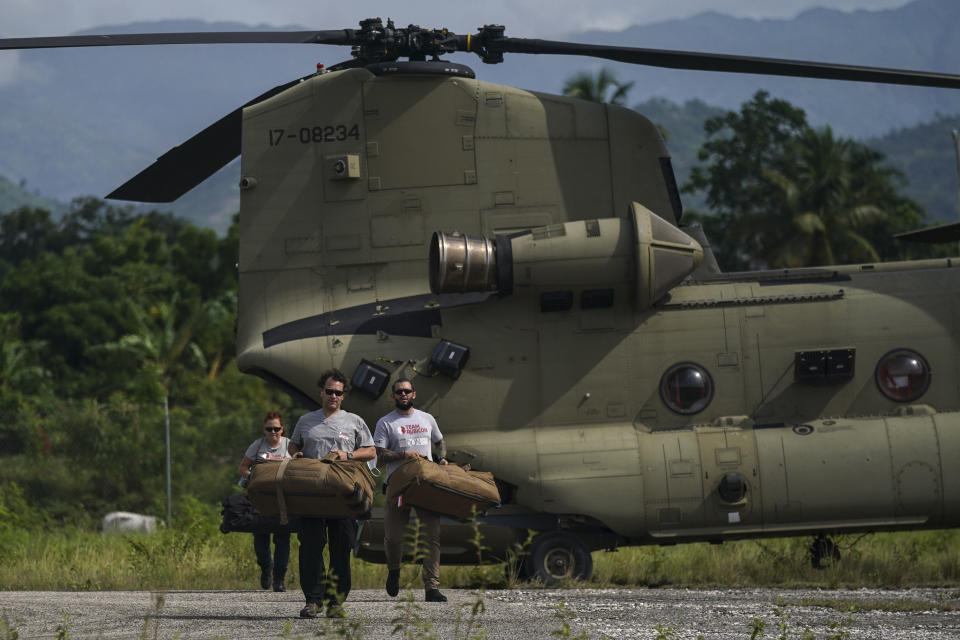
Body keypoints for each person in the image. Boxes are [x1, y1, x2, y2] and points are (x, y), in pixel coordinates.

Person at [288, 369, 375, 619]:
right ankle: (312, 601)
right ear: (321, 392)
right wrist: (295, 453)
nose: (333, 396)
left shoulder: (354, 421)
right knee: (311, 547)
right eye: (329, 391)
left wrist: (350, 455)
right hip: (312, 494)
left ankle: (335, 602)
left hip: (343, 494)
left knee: (341, 547)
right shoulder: (306, 420)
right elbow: (294, 444)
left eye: (338, 392)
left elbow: (370, 451)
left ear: (343, 395)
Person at [373, 378, 449, 603]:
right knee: (394, 538)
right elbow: (379, 454)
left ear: (414, 394)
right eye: (399, 392)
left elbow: (440, 440)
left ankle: (432, 588)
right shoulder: (386, 423)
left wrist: (442, 457)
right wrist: (402, 454)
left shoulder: (427, 418)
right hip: (399, 486)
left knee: (431, 537)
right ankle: (394, 571)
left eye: (407, 391)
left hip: (426, 485)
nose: (403, 394)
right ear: (393, 396)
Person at [237, 411, 291, 592]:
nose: (273, 432)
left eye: (277, 428)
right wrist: (253, 476)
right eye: (269, 429)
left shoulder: (289, 446)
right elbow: (243, 467)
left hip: (283, 500)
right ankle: (266, 567)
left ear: (282, 429)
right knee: (260, 539)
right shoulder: (258, 445)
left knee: (282, 539)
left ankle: (279, 578)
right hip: (260, 500)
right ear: (264, 430)